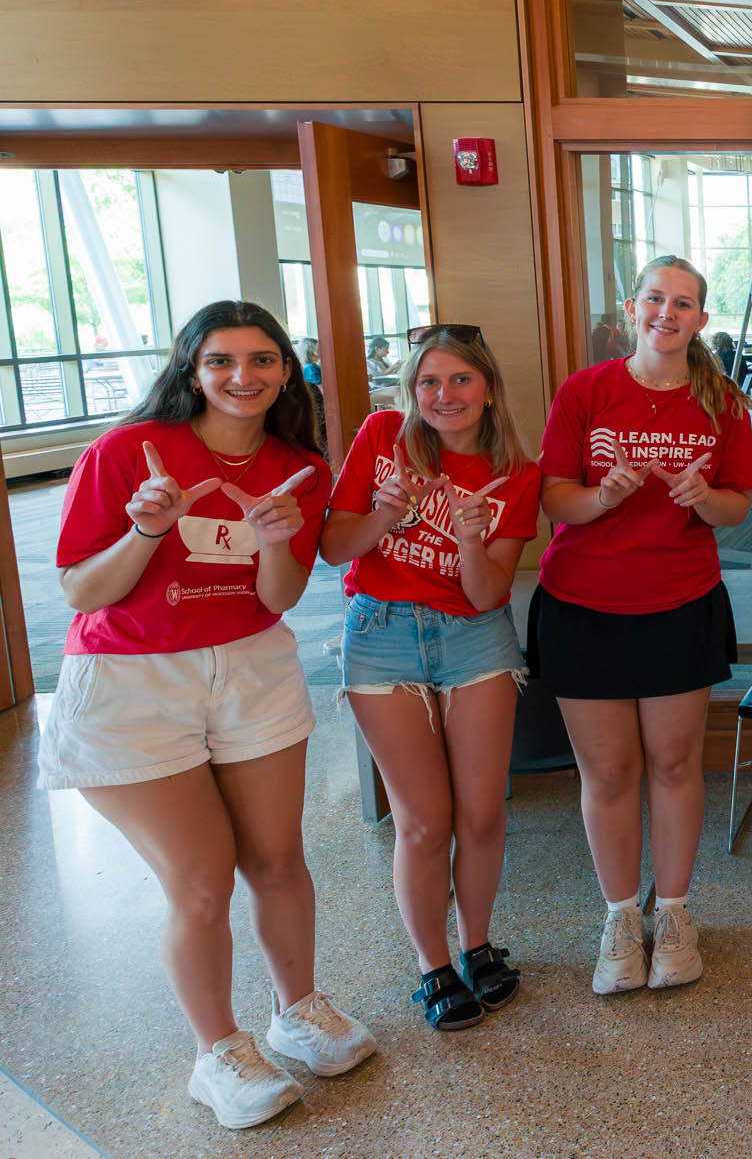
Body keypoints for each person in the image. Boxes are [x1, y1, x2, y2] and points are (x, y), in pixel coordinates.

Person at [43, 301, 374, 1129]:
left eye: (263, 360)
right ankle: (217, 1051)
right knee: (199, 878)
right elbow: (82, 591)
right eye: (221, 361)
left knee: (277, 858)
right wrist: (147, 528)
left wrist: (274, 539)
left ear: (286, 371)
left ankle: (296, 1009)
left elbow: (281, 597)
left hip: (253, 670)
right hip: (131, 679)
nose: (243, 377)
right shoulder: (125, 453)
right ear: (191, 369)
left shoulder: (299, 465)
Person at [532, 255, 752, 996]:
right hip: (582, 606)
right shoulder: (586, 391)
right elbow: (557, 500)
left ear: (701, 318)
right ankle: (620, 918)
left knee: (672, 765)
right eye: (656, 299)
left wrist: (701, 497)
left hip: (679, 602)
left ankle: (676, 916)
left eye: (684, 303)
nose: (668, 313)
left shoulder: (722, 401)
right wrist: (604, 497)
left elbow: (738, 508)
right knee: (607, 772)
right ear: (634, 307)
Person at [319, 324, 541, 1032]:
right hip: (381, 635)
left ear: (487, 387)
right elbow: (332, 548)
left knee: (480, 813)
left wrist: (471, 535)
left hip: (475, 638)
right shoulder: (384, 436)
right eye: (428, 382)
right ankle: (432, 964)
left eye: (459, 380)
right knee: (423, 822)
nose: (444, 396)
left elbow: (485, 595)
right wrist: (386, 512)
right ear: (411, 390)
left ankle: (476, 945)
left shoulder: (518, 473)